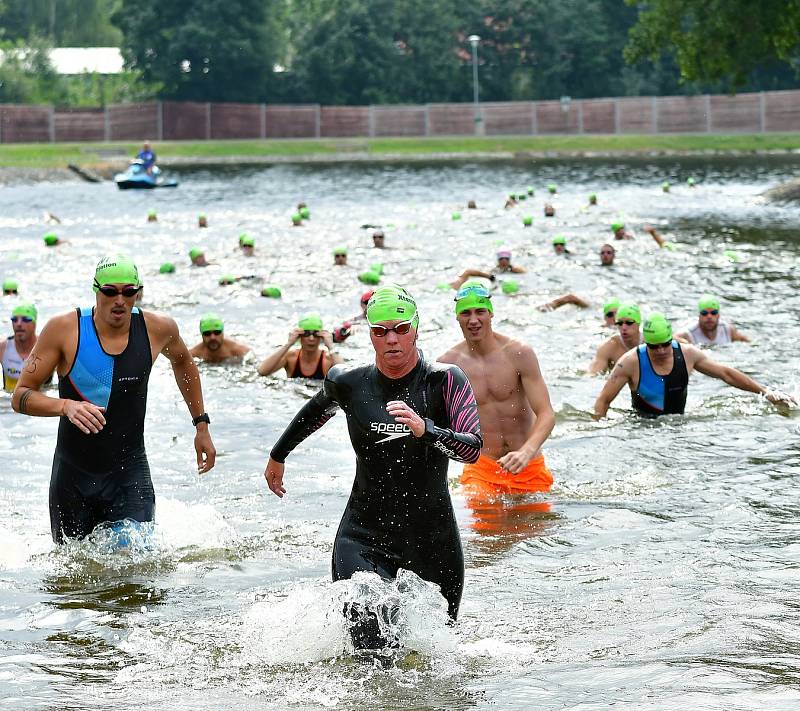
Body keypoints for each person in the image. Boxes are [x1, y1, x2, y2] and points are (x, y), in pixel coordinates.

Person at [264, 285, 482, 648]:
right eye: (381, 331)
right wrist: (278, 454)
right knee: (371, 651)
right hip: (364, 535)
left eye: (400, 329)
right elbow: (316, 411)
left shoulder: (445, 380)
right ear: (370, 334)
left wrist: (425, 429)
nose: (391, 339)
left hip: (432, 540)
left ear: (416, 328)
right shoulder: (347, 381)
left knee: (438, 659)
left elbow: (472, 449)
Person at [10, 255, 216, 543]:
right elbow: (20, 396)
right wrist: (65, 406)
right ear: (96, 291)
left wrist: (201, 425)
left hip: (129, 473)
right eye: (110, 292)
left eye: (128, 292)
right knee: (74, 578)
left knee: (138, 567)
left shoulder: (158, 329)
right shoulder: (64, 329)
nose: (119, 300)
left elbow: (184, 362)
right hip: (73, 478)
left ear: (137, 293)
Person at [438, 282, 555, 495]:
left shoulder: (519, 353)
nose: (473, 320)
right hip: (482, 469)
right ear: (457, 317)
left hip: (528, 463)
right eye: (466, 313)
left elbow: (546, 413)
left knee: (538, 528)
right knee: (483, 526)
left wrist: (526, 452)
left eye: (480, 311)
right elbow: (438, 427)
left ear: (490, 313)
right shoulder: (449, 365)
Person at [594, 312, 792, 418]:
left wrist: (765, 392)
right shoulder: (630, 362)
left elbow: (726, 373)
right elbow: (603, 401)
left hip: (679, 425)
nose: (662, 351)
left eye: (666, 344)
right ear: (646, 344)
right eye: (655, 347)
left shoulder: (687, 354)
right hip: (641, 427)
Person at [257, 313, 342, 379]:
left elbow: (345, 377)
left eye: (316, 334)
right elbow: (262, 371)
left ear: (321, 336)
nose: (311, 338)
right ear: (299, 336)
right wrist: (288, 344)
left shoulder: (328, 358)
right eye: (306, 333)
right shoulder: (290, 357)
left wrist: (331, 346)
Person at [587, 303, 641, 374]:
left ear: (639, 323)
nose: (624, 328)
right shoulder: (609, 347)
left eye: (629, 323)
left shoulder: (650, 344)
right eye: (620, 323)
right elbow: (592, 376)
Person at [675, 294, 750, 345]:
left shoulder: (727, 329)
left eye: (713, 313)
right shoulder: (689, 333)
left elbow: (748, 342)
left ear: (718, 315)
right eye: (704, 313)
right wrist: (685, 343)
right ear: (699, 316)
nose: (709, 316)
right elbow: (673, 338)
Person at [2, 303, 41, 392]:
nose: (18, 324)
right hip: (7, 402)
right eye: (14, 320)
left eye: (25, 319)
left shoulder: (47, 347)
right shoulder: (3, 347)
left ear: (34, 323)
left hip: (39, 402)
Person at [450, 247, 525, 290]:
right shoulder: (493, 270)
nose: (504, 261)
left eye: (506, 258)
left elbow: (525, 272)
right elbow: (469, 271)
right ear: (498, 260)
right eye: (501, 259)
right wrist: (490, 277)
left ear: (509, 260)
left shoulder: (514, 269)